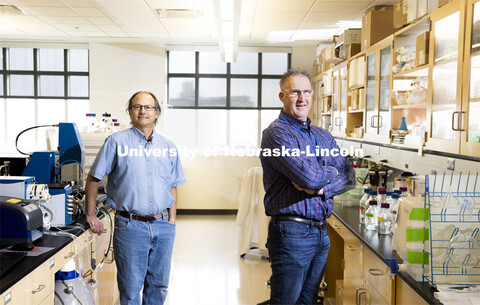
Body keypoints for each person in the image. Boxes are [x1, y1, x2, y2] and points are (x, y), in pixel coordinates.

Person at [260, 69, 355, 305]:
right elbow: (308, 178)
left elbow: (350, 176)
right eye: (295, 92)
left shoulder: (323, 136)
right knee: (286, 301)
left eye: (306, 92)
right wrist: (330, 172)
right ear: (282, 96)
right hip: (291, 233)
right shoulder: (277, 134)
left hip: (321, 232)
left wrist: (323, 188)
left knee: (308, 301)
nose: (302, 98)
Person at [85, 91, 186, 305]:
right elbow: (93, 178)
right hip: (130, 226)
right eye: (137, 107)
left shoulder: (168, 146)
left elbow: (173, 185)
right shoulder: (116, 142)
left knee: (158, 288)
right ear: (130, 112)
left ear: (157, 113)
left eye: (148, 107)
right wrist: (91, 214)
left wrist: (172, 221)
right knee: (130, 290)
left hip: (163, 226)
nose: (143, 111)